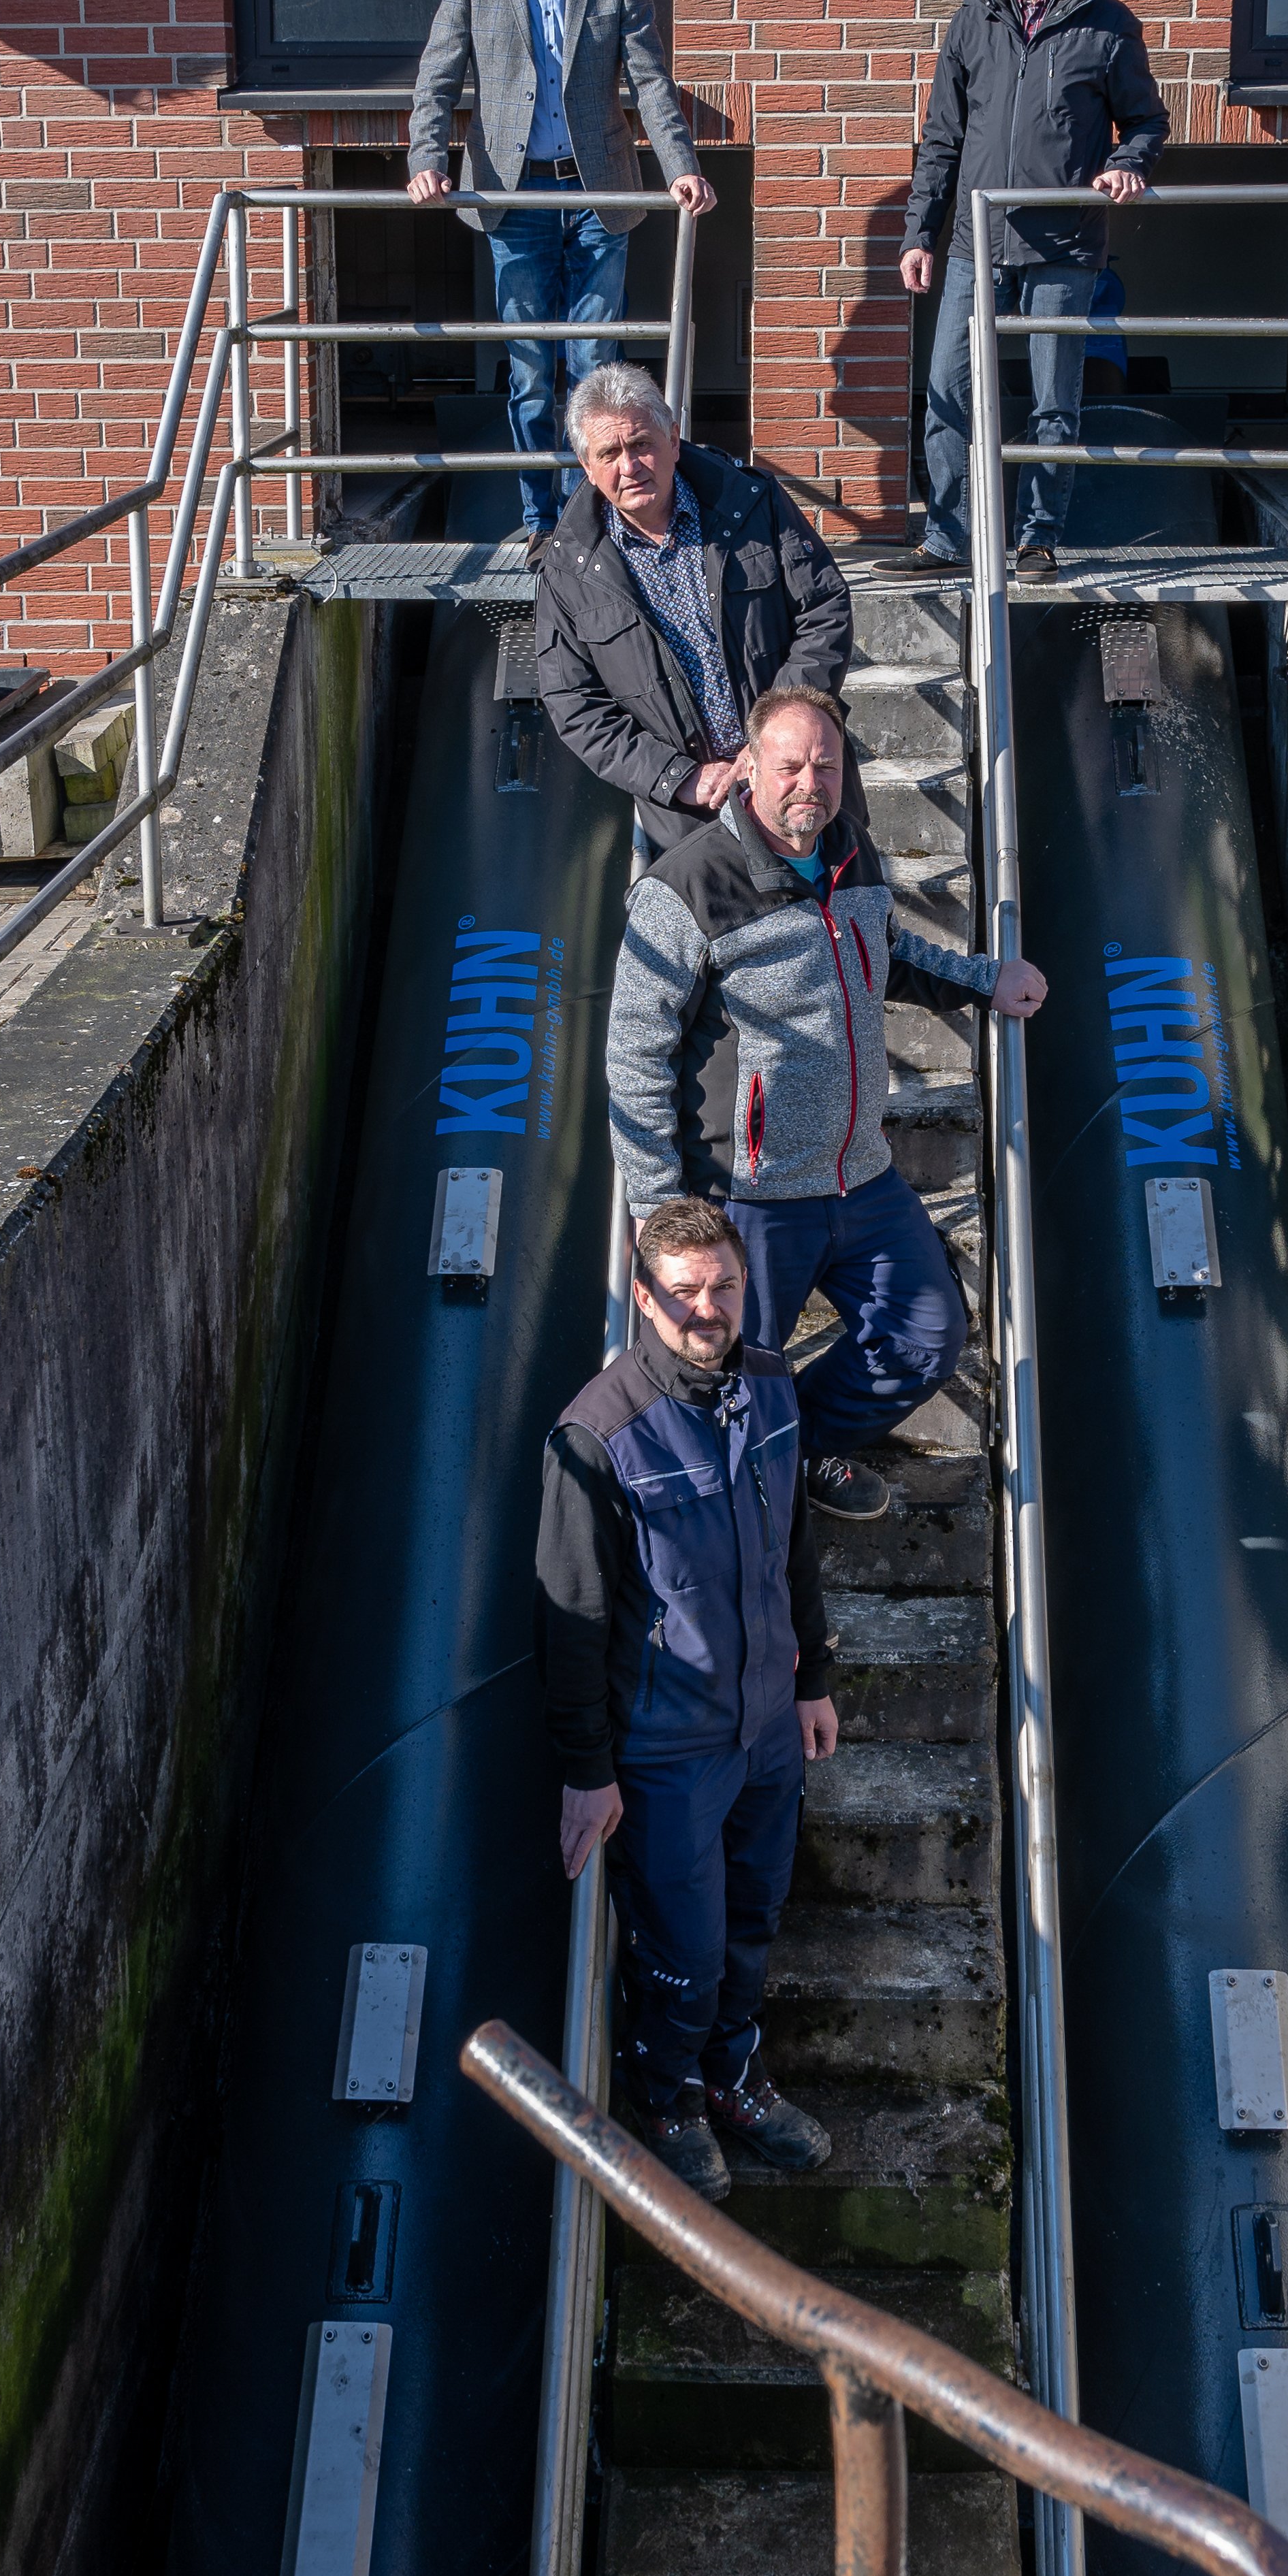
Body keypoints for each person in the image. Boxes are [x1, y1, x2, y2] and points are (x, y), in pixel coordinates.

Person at [606, 686, 1046, 1525]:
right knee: (726, 1375)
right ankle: (726, 1525)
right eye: (790, 764)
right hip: (747, 1195)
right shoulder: (685, 890)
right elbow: (634, 1057)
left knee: (924, 1335)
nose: (809, 780)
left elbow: (888, 952)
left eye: (825, 763)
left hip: (861, 1178)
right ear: (748, 772)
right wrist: (659, 1211)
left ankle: (796, 1449)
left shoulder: (850, 850)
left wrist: (989, 981)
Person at [537, 1195, 839, 2196]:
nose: (707, 1309)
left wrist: (814, 1682)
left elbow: (795, 1546)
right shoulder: (599, 1433)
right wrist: (588, 1774)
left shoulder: (771, 1384)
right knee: (688, 1949)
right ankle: (665, 2097)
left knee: (754, 1919)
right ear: (644, 1297)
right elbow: (572, 1620)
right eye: (685, 1293)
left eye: (723, 1287)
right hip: (666, 1750)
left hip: (764, 1730)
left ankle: (736, 2080)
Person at [406, 0, 715, 562]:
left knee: (593, 365)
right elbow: (438, 74)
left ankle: (592, 514)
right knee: (528, 371)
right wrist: (427, 159)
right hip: (512, 199)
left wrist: (680, 164)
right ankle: (539, 517)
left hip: (597, 192)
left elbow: (650, 79)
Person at [895, 0, 1169, 585]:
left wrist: (1129, 162)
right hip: (973, 243)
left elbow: (1145, 120)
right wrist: (918, 232)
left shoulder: (1108, 25)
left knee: (1055, 399)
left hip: (1065, 245)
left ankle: (1038, 539)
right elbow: (941, 138)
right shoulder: (972, 18)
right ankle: (948, 536)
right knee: (947, 391)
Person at [534, 363, 857, 850]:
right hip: (692, 821)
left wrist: (772, 743)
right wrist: (676, 777)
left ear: (673, 440)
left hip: (802, 789)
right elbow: (574, 704)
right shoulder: (566, 571)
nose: (630, 466)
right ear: (588, 468)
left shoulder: (751, 504)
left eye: (642, 443)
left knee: (834, 921)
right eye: (610, 453)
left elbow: (825, 609)